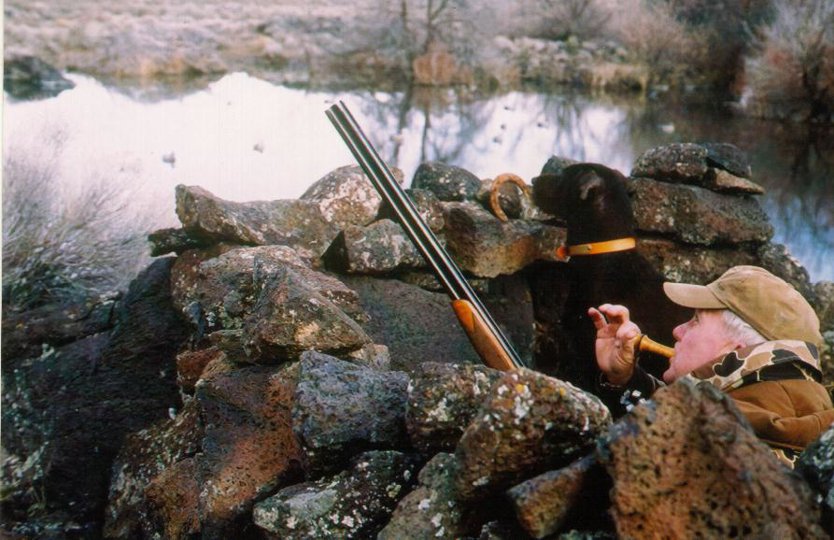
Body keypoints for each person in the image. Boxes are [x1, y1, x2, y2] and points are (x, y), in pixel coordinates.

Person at [588, 265, 834, 467]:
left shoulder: (709, 443)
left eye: (695, 321)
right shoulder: (786, 416)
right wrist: (626, 380)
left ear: (735, 350)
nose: (677, 330)